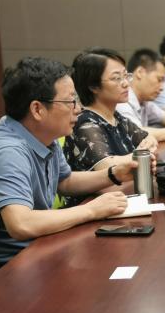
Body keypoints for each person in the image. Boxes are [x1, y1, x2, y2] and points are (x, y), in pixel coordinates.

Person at [0, 57, 132, 288]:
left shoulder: (40, 135)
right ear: (37, 109)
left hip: (34, 252)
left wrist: (114, 174)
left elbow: (65, 181)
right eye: (70, 101)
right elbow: (21, 224)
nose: (78, 109)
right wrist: (91, 210)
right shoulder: (7, 151)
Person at [64, 48, 157, 204]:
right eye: (116, 78)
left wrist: (147, 148)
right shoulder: (85, 123)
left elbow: (149, 139)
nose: (126, 83)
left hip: (122, 198)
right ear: (93, 86)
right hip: (91, 207)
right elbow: (106, 166)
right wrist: (142, 155)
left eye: (126, 76)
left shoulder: (116, 118)